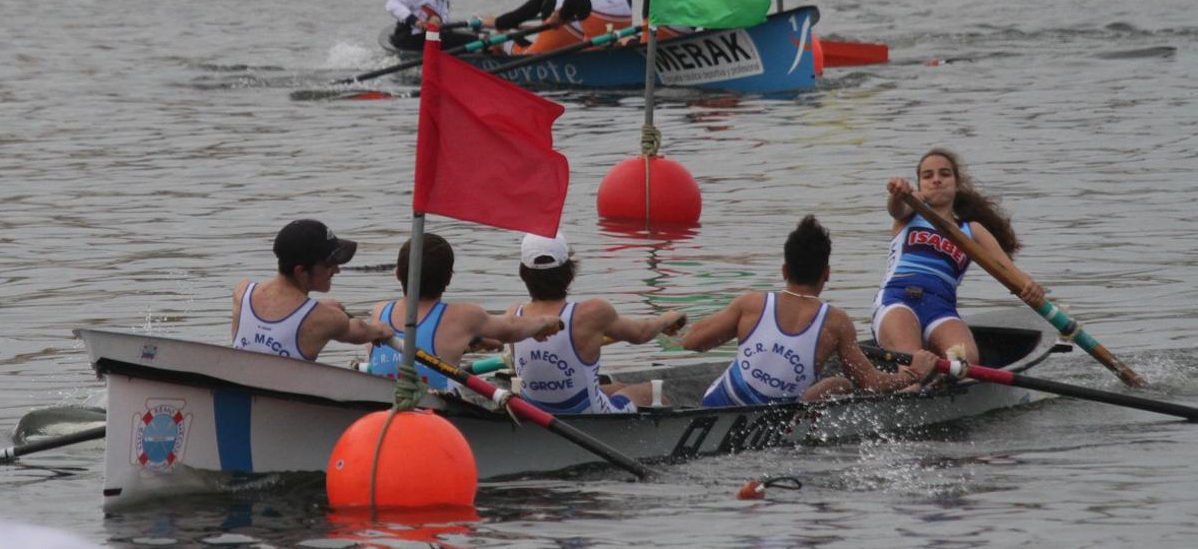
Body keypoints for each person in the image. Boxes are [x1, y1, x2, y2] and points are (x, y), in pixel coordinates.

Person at [682, 215, 938, 406]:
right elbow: (871, 384)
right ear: (826, 275)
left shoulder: (751, 304)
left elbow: (692, 342)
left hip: (716, 404)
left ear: (784, 271)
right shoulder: (836, 323)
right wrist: (915, 372)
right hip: (773, 421)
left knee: (837, 384)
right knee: (842, 385)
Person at [873, 148, 1044, 366]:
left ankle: (939, 381)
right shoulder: (911, 211)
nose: (936, 180)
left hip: (941, 308)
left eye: (944, 174)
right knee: (912, 364)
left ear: (956, 182)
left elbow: (1011, 274)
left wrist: (1031, 288)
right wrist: (898, 193)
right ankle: (913, 382)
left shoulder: (973, 231)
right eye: (928, 176)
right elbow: (896, 208)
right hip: (897, 299)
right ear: (919, 185)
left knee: (966, 361)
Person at [508, 231, 687, 414]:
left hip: (534, 413)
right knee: (649, 391)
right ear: (569, 272)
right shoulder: (592, 312)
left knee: (617, 387)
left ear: (524, 274)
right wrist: (665, 320)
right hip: (588, 413)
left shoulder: (514, 315)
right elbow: (641, 334)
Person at [365, 233, 561, 391]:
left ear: (397, 273)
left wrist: (474, 341)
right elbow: (511, 328)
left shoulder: (379, 312)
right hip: (435, 423)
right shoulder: (464, 317)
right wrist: (544, 322)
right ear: (449, 279)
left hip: (381, 417)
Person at [232, 219, 392, 362]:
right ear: (301, 272)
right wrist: (379, 330)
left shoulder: (242, 292)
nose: (337, 270)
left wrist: (318, 307)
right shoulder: (327, 319)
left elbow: (280, 314)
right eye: (329, 264)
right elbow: (359, 331)